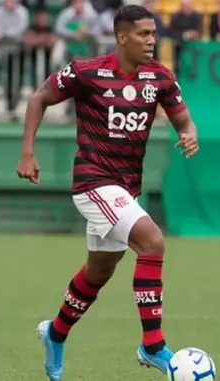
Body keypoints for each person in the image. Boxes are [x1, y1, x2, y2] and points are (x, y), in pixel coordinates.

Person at [16, 5, 199, 381]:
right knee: (153, 242)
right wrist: (28, 152)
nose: (151, 41)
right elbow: (38, 99)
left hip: (125, 190)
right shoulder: (87, 72)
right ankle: (153, 346)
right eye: (143, 34)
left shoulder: (159, 77)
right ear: (121, 37)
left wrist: (188, 132)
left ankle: (56, 332)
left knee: (98, 273)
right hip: (93, 181)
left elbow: (182, 115)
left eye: (153, 34)